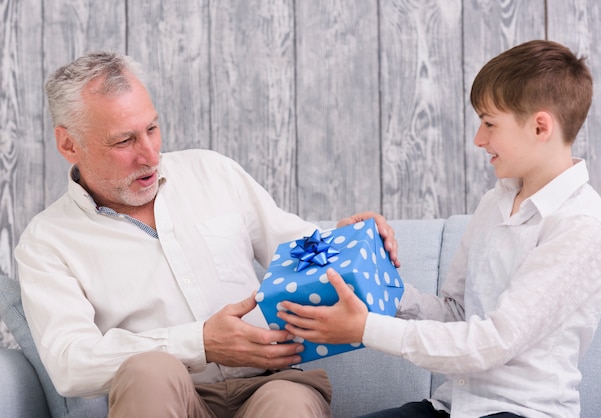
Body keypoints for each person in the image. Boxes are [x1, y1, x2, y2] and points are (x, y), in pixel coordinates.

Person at [14, 51, 400, 418]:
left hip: (270, 384)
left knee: (289, 404)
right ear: (69, 144)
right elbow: (71, 363)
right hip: (167, 396)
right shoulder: (47, 241)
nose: (149, 154)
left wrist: (347, 242)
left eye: (152, 128)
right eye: (124, 141)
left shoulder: (212, 172)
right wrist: (201, 343)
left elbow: (298, 250)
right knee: (150, 372)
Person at [278, 40, 601, 417]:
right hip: (449, 407)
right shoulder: (495, 202)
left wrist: (365, 329)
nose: (479, 139)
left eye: (489, 123)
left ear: (541, 126)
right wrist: (374, 278)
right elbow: (456, 314)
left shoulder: (582, 227)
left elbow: (493, 342)